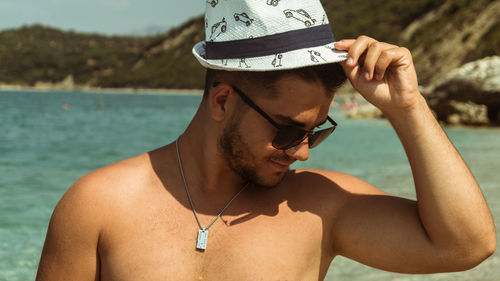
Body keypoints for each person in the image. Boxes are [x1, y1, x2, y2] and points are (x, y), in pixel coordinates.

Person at [36, 1, 496, 280]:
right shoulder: (99, 206)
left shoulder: (318, 207)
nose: (301, 151)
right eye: (288, 131)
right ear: (222, 101)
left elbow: (465, 246)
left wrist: (407, 108)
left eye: (316, 131)